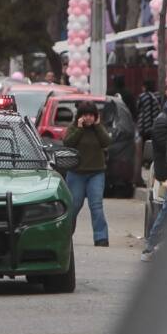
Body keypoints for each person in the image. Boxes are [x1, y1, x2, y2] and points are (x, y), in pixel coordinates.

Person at [63, 101, 112, 247]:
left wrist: (97, 126)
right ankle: (65, 235)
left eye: (91, 115)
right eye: (86, 115)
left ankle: (101, 237)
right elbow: (68, 144)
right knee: (74, 205)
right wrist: (78, 129)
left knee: (96, 205)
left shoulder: (98, 129)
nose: (89, 118)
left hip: (96, 173)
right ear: (80, 116)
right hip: (76, 173)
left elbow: (106, 142)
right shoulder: (74, 128)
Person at [134, 81, 161, 187]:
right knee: (153, 153)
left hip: (143, 128)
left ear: (144, 87)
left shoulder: (142, 97)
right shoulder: (156, 97)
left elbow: (137, 109)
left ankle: (138, 177)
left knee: (140, 153)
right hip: (153, 128)